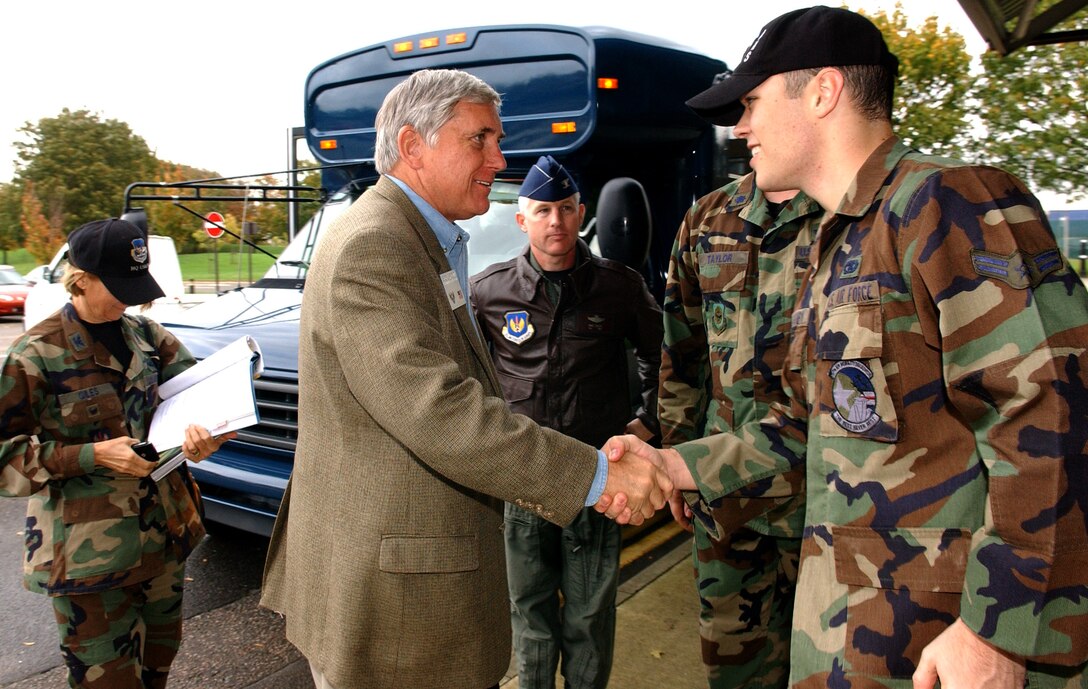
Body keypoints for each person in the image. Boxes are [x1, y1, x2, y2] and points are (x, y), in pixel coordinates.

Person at [609, 6, 1088, 688]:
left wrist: (999, 634)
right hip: (853, 634)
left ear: (823, 92)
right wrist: (668, 464)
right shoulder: (844, 242)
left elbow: (1057, 416)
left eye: (751, 103)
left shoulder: (948, 205)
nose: (738, 127)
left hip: (940, 644)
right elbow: (801, 424)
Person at [257, 69, 672, 689]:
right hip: (395, 604)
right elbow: (441, 411)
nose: (499, 159)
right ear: (412, 146)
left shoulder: (419, 239)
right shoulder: (376, 246)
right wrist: (600, 475)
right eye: (480, 139)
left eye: (497, 140)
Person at [0, 218, 233, 689]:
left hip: (165, 541)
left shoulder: (146, 337)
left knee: (157, 668)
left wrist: (211, 433)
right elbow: (5, 458)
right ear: (80, 279)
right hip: (89, 563)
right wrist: (93, 455)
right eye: (119, 286)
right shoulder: (34, 354)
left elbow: (202, 398)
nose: (130, 298)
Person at [469, 155, 663, 689]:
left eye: (565, 209)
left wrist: (644, 425)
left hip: (595, 479)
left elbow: (665, 358)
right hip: (523, 480)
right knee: (528, 614)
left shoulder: (618, 287)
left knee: (588, 618)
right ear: (522, 220)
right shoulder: (489, 292)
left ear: (581, 215)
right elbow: (468, 378)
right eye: (542, 211)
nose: (555, 221)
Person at [658, 171, 820, 689]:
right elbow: (681, 351)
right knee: (733, 668)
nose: (743, 125)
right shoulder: (707, 219)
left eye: (753, 104)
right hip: (725, 500)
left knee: (829, 665)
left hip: (820, 501)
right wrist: (680, 461)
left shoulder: (846, 211)